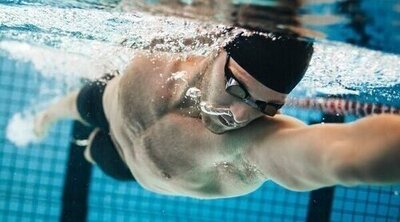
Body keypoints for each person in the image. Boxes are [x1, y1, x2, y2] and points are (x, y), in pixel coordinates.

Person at [34, 30, 400, 199]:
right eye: (238, 89)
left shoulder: (247, 147)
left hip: (129, 167)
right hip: (107, 102)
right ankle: (46, 118)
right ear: (218, 52)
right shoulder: (169, 44)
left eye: (265, 106)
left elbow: (340, 154)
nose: (241, 115)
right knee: (73, 105)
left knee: (93, 151)